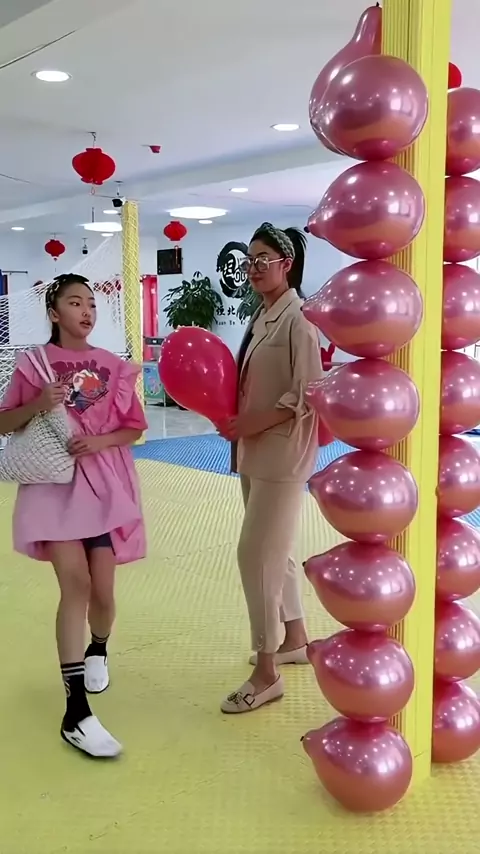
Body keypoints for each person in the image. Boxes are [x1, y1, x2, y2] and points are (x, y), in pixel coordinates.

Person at [0, 274, 147, 757]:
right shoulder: (33, 364)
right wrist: (37, 404)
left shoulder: (112, 366)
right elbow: (3, 422)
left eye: (91, 304)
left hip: (100, 487)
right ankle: (76, 711)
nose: (86, 311)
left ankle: (98, 647)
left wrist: (100, 441)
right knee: (76, 585)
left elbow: (134, 428)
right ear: (54, 312)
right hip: (51, 487)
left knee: (102, 591)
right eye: (75, 302)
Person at [218, 222, 323, 714]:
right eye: (250, 260)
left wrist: (255, 421)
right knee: (274, 552)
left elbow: (310, 391)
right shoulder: (262, 316)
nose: (255, 268)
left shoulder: (300, 320)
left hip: (282, 453)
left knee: (254, 555)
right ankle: (295, 637)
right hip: (254, 450)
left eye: (264, 260)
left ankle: (266, 672)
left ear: (287, 264)